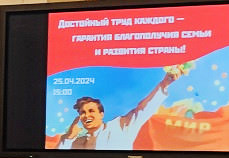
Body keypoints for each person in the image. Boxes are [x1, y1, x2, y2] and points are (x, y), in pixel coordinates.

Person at [57, 64, 191, 150]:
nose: (86, 115)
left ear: (101, 114)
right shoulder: (76, 142)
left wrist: (164, 84)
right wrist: (68, 138)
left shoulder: (119, 127)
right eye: (82, 112)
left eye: (91, 111)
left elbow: (142, 110)